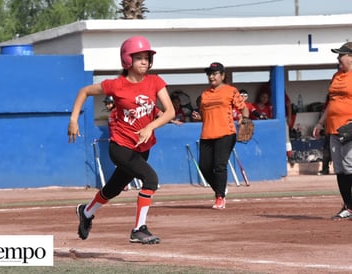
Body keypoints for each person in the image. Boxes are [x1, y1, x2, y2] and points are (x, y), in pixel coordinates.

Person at [67, 36, 175, 243]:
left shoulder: (156, 82)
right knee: (151, 179)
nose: (144, 61)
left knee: (113, 188)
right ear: (127, 60)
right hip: (121, 147)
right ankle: (139, 229)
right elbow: (84, 91)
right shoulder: (117, 85)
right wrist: (74, 120)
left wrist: (150, 126)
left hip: (143, 148)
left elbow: (170, 111)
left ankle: (86, 212)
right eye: (139, 58)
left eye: (147, 58)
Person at [198, 62, 249, 209]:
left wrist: (244, 120)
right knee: (204, 167)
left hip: (226, 133)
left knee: (219, 165)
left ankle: (219, 197)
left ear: (222, 75)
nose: (211, 76)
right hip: (207, 134)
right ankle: (220, 188)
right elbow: (204, 115)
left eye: (215, 73)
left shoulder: (231, 91)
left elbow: (243, 109)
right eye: (210, 74)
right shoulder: (205, 94)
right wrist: (198, 117)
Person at [312, 42, 352, 220]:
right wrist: (320, 123)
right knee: (340, 169)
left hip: (350, 128)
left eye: (341, 55)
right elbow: (332, 103)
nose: (338, 58)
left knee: (350, 167)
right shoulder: (336, 76)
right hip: (334, 128)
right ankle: (348, 207)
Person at [317, 95, 331, 176]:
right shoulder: (329, 103)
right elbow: (325, 116)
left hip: (340, 130)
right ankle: (325, 169)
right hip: (330, 130)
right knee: (326, 151)